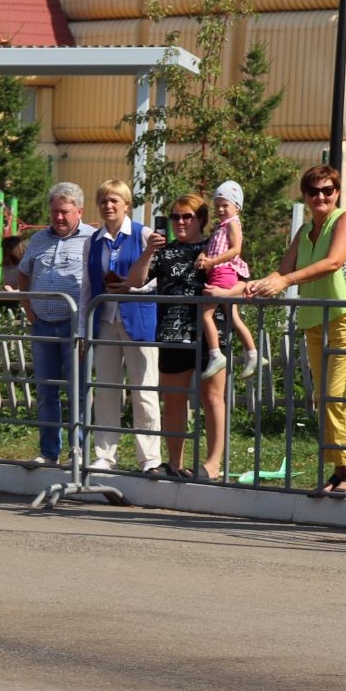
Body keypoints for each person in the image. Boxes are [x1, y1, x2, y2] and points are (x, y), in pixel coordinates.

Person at [245, 165, 346, 495]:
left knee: (336, 396)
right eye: (313, 191)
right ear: (304, 195)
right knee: (322, 398)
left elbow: (333, 261)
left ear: (337, 193)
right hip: (315, 320)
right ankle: (340, 470)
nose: (321, 196)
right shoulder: (303, 232)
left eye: (328, 190)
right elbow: (280, 271)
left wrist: (284, 281)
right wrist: (244, 288)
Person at [122, 195, 221, 479]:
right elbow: (135, 282)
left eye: (187, 216)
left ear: (201, 219)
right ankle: (175, 465)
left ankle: (212, 465)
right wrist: (147, 253)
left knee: (212, 398)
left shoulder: (214, 247)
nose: (180, 221)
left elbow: (237, 275)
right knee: (174, 400)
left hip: (210, 334)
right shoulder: (164, 251)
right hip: (171, 332)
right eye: (175, 216)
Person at [10, 183, 93, 465]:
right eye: (55, 211)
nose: (58, 217)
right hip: (43, 325)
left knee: (77, 390)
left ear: (79, 211)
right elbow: (23, 273)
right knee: (46, 390)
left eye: (65, 212)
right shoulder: (38, 240)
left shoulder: (91, 239)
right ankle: (48, 452)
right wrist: (27, 304)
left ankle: (78, 451)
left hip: (75, 327)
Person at [84, 179, 162, 474]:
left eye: (114, 200)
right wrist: (84, 327)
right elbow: (87, 284)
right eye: (103, 200)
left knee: (144, 390)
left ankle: (150, 458)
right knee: (105, 390)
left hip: (139, 320)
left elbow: (158, 279)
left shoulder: (143, 235)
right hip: (105, 320)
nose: (108, 205)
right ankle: (104, 455)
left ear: (127, 205)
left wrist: (131, 290)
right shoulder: (93, 240)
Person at [196, 180, 261, 379]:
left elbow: (235, 249)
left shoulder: (233, 223)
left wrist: (212, 261)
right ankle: (253, 354)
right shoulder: (221, 226)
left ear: (237, 206)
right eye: (217, 206)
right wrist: (202, 255)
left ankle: (216, 355)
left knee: (206, 315)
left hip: (222, 273)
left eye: (225, 205)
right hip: (220, 272)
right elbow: (211, 246)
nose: (221, 209)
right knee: (233, 318)